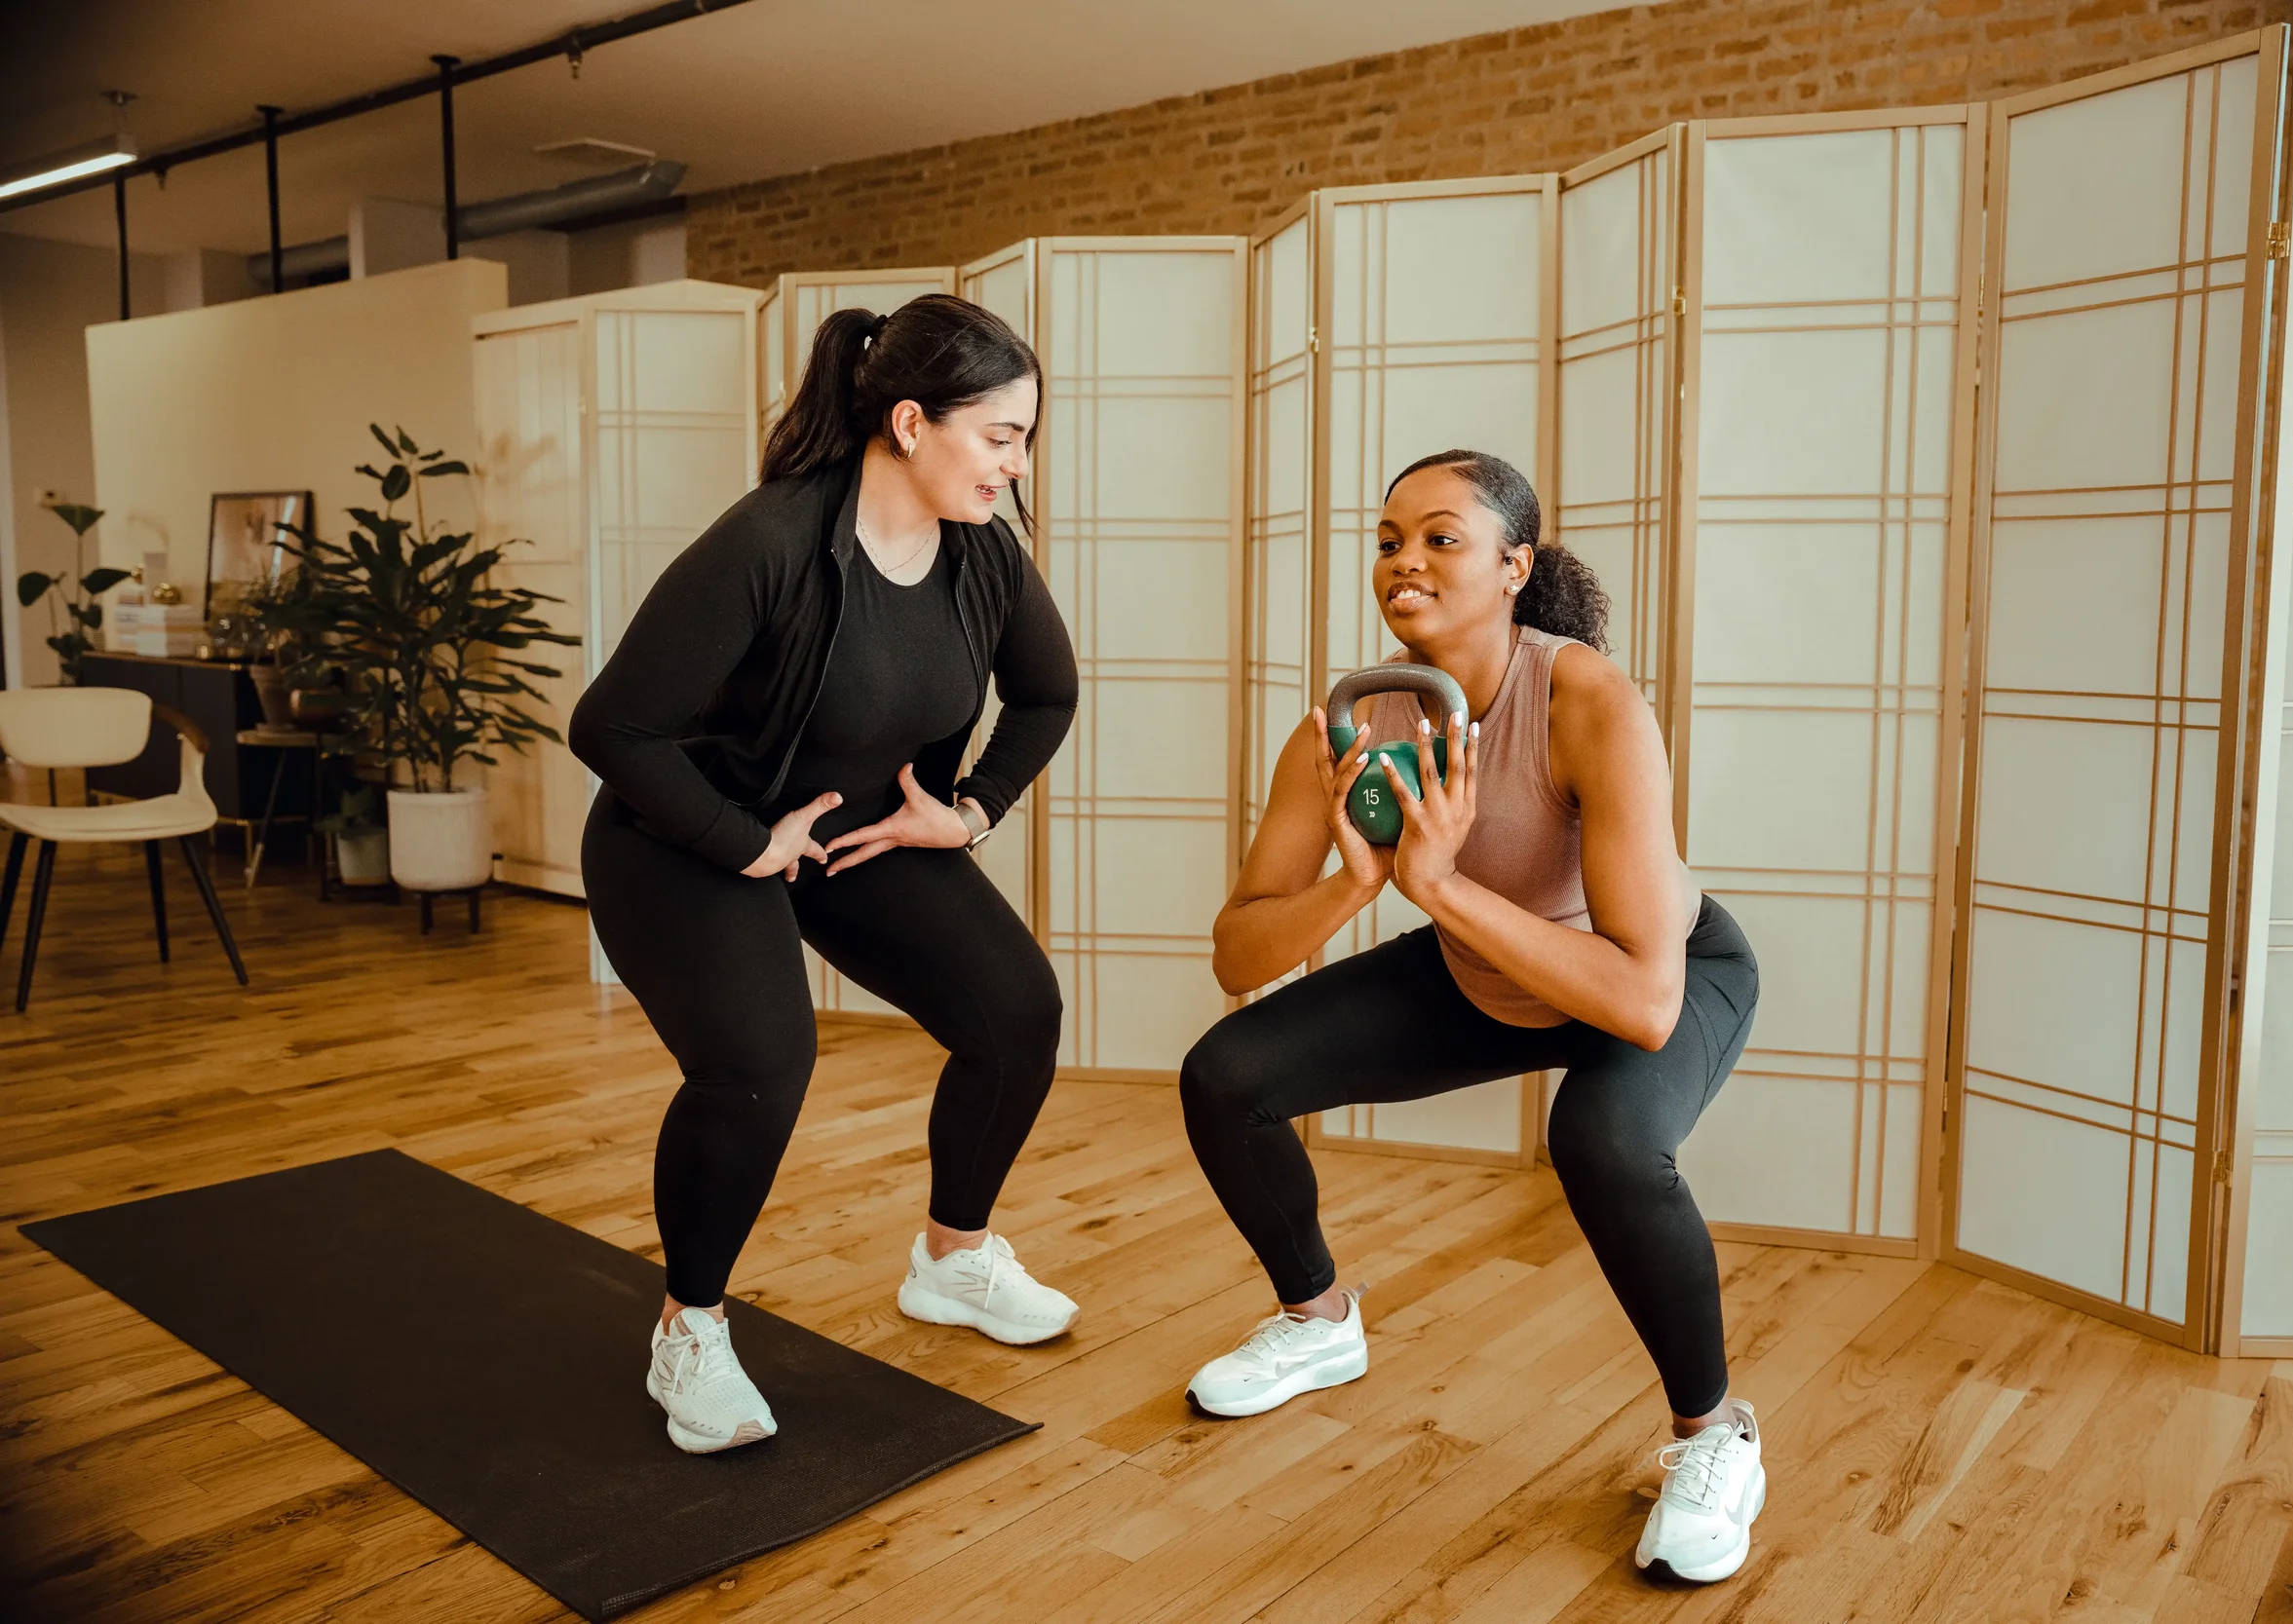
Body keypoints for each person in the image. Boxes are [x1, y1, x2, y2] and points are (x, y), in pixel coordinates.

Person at [1177, 449, 1766, 1582]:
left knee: (1601, 1139)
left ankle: (1712, 1434)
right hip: (1485, 971)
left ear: (1513, 565)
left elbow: (1645, 1003)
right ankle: (1317, 1319)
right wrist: (1352, 885)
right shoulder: (1351, 723)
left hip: (1657, 970)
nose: (1405, 560)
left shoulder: (1585, 698)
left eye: (1442, 537)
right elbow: (1236, 952)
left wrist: (1439, 886)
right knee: (1227, 1074)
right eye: (1389, 537)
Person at [569, 294, 1082, 1456]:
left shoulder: (985, 554)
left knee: (1017, 1011)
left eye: (1025, 437)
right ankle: (687, 1327)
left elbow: (1046, 694)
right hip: (687, 835)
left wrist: (966, 812)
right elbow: (611, 727)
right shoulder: (769, 541)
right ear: (910, 421)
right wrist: (743, 843)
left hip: (851, 836)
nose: (1016, 463)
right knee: (759, 1062)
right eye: (999, 435)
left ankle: (953, 1260)